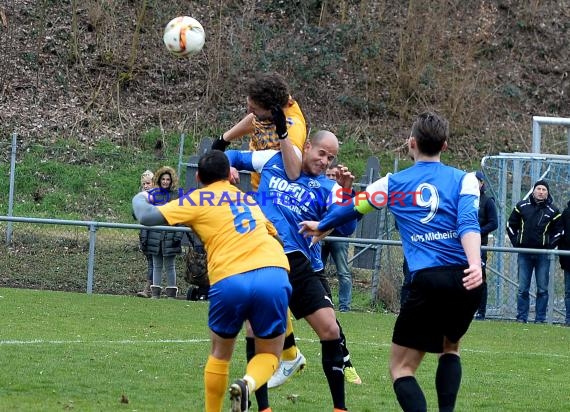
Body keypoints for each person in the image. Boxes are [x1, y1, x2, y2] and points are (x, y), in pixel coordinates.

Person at [299, 112, 484, 412]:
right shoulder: (466, 180)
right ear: (445, 146)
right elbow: (467, 223)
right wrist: (475, 264)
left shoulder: (393, 183)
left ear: (411, 143)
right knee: (450, 348)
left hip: (428, 280)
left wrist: (322, 224)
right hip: (467, 278)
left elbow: (354, 207)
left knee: (401, 368)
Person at [132, 150, 291, 412]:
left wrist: (141, 195)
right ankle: (247, 385)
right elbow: (276, 238)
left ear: (198, 176)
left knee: (220, 355)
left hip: (230, 276)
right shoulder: (247, 198)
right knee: (269, 355)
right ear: (230, 175)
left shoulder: (197, 198)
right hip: (272, 271)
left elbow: (148, 217)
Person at [224, 130, 358, 411]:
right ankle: (263, 407)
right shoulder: (273, 160)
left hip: (300, 262)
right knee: (255, 329)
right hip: (262, 255)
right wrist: (228, 167)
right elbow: (231, 154)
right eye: (321, 153)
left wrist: (346, 194)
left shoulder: (326, 186)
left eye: (330, 158)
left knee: (331, 329)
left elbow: (347, 227)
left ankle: (339, 407)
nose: (324, 161)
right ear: (307, 146)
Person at [212, 71, 308, 394]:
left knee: (270, 274)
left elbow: (292, 171)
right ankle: (289, 353)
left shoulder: (292, 127)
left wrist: (238, 150)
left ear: (272, 109)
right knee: (266, 276)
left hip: (278, 205)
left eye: (255, 109)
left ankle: (289, 354)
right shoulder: (265, 116)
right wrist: (229, 143)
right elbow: (222, 151)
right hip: (259, 198)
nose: (250, 112)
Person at [507, 179, 563, 323]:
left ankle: (540, 319)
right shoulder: (521, 206)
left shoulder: (553, 211)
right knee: (522, 289)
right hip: (524, 253)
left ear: (547, 192)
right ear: (533, 190)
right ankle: (521, 318)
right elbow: (510, 225)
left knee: (543, 289)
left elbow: (559, 231)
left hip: (543, 255)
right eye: (539, 189)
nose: (541, 192)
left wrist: (549, 246)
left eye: (544, 190)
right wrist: (516, 243)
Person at [146, 166, 183, 299]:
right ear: (159, 180)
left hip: (170, 234)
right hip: (155, 235)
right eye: (163, 179)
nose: (165, 181)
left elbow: (181, 217)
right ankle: (155, 294)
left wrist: (177, 235)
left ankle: (171, 295)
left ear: (171, 180)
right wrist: (145, 236)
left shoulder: (177, 195)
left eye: (168, 179)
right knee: (156, 265)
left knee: (170, 266)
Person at [321, 165, 354, 313]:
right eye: (328, 175)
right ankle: (322, 303)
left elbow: (354, 214)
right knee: (317, 271)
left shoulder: (347, 192)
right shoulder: (320, 190)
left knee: (343, 272)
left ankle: (344, 306)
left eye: (334, 175)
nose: (331, 178)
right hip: (321, 234)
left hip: (340, 236)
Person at [474, 170, 498, 320]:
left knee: (479, 278)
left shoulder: (487, 201)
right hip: (460, 246)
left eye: (477, 181)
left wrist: (476, 233)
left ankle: (481, 311)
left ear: (482, 183)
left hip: (479, 246)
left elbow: (493, 223)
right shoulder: (462, 199)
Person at [135, 170, 155, 298]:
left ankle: (148, 289)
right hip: (145, 234)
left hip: (154, 234)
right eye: (144, 184)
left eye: (148, 183)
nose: (146, 186)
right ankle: (152, 288)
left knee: (154, 264)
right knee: (151, 262)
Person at [559, 200, 570, 327]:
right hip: (568, 260)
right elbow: (561, 237)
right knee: (568, 292)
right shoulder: (566, 213)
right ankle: (568, 319)